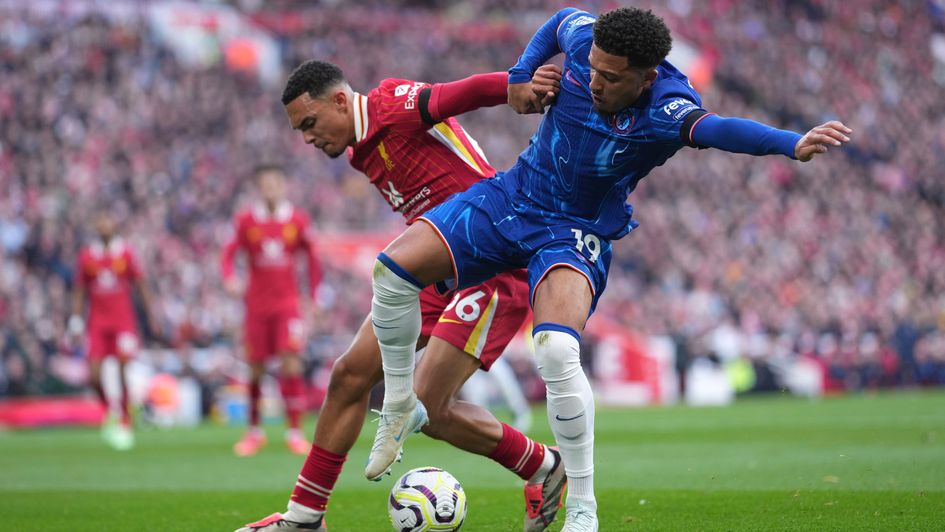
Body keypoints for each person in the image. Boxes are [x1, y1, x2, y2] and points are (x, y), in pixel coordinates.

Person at [364, 7, 852, 531]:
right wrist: (521, 75)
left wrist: (790, 143)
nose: (593, 80)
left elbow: (719, 129)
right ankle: (398, 403)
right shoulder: (585, 44)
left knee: (556, 348)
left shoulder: (668, 108)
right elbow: (560, 20)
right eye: (592, 68)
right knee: (392, 270)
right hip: (514, 197)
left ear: (646, 77)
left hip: (575, 230)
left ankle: (582, 510)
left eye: (610, 77)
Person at [236, 61, 566, 532]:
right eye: (299, 131)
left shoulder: (389, 104)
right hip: (433, 271)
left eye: (309, 124)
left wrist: (515, 87)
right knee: (349, 374)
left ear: (339, 101)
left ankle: (544, 466)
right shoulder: (359, 151)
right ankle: (305, 518)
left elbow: (460, 92)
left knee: (430, 406)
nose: (306, 138)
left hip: (491, 262)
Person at [221, 165, 323, 456]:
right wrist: (229, 277)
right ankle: (254, 431)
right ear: (258, 188)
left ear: (283, 186)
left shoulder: (297, 220)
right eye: (264, 185)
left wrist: (313, 296)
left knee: (291, 363)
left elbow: (313, 260)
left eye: (274, 185)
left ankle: (294, 432)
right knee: (255, 368)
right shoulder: (246, 221)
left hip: (287, 304)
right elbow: (228, 254)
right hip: (256, 305)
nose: (270, 190)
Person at [70, 210, 158, 450]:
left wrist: (151, 316)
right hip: (97, 323)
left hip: (123, 323)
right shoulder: (87, 255)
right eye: (100, 220)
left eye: (107, 219)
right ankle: (111, 410)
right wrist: (76, 321)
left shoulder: (126, 252)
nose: (104, 224)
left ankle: (126, 420)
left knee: (122, 368)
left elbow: (140, 284)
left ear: (114, 223)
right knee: (94, 375)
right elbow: (79, 290)